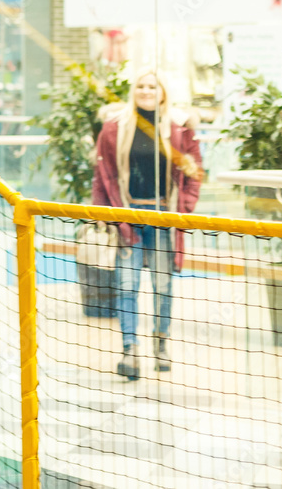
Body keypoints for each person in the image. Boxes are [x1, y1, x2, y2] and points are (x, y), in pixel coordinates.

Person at [91, 69, 202, 380]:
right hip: (129, 218)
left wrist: (184, 210)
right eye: (140, 85)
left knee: (163, 288)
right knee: (126, 287)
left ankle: (161, 342)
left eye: (152, 86)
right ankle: (129, 349)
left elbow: (194, 173)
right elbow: (102, 177)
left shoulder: (180, 129)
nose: (146, 90)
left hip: (164, 219)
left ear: (163, 91)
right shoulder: (113, 129)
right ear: (133, 91)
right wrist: (103, 215)